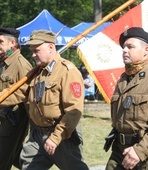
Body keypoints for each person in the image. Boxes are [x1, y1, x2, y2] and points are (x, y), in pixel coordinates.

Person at [0, 30, 89, 170]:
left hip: (62, 136)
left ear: (51, 47)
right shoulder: (37, 73)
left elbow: (74, 111)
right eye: (32, 51)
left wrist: (55, 137)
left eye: (37, 50)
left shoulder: (68, 71)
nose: (33, 55)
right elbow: (18, 93)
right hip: (37, 136)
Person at [104, 27, 148, 170]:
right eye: (123, 47)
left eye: (130, 47)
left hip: (147, 156)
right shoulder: (122, 80)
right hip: (119, 152)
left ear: (146, 51)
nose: (124, 50)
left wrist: (140, 151)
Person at [0, 28, 32, 170]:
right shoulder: (3, 62)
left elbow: (26, 92)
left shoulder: (21, 64)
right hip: (4, 118)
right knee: (15, 157)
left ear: (12, 42)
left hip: (15, 119)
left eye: (0, 42)